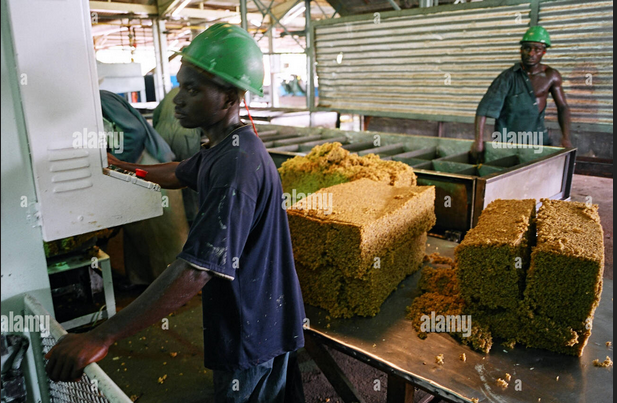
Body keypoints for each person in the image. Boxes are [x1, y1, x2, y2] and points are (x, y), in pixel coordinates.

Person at [45, 23, 307, 403]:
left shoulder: (237, 163)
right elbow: (179, 172)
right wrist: (122, 167)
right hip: (255, 311)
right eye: (180, 84)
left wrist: (104, 334)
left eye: (193, 89)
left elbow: (197, 268)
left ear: (231, 96)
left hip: (254, 322)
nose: (178, 99)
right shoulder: (223, 147)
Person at [471, 26, 572, 161]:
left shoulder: (551, 76)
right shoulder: (507, 77)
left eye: (537, 49)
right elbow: (484, 109)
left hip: (537, 138)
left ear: (544, 52)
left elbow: (563, 107)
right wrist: (478, 141)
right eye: (527, 48)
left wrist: (565, 137)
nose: (531, 53)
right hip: (508, 139)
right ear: (520, 50)